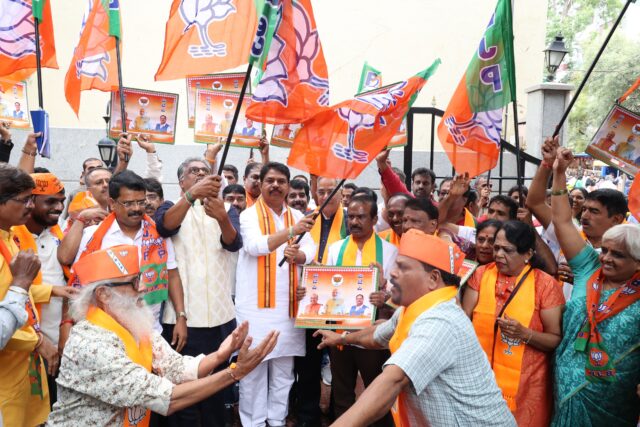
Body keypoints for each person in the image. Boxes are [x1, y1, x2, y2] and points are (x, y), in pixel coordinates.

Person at [47, 245, 279, 426]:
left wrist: (220, 356)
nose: (143, 288)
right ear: (104, 295)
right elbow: (168, 399)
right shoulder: (90, 343)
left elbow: (177, 369)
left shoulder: (134, 326)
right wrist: (234, 373)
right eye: (134, 282)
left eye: (141, 279)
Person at [315, 229, 516, 426]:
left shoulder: (441, 322)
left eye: (402, 267)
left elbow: (393, 381)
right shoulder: (411, 311)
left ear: (433, 279)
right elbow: (379, 335)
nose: (392, 273)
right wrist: (341, 339)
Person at [550, 147, 640, 426]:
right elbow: (563, 220)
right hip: (565, 389)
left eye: (618, 255)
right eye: (606, 251)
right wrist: (558, 172)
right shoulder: (588, 266)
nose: (607, 259)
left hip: (613, 402)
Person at [153, 158, 242, 427]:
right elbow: (165, 226)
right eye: (194, 172)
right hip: (183, 319)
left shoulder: (227, 209)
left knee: (216, 386)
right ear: (182, 182)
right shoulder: (170, 206)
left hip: (219, 317)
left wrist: (223, 217)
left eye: (206, 172)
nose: (202, 175)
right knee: (183, 388)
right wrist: (192, 196)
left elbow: (233, 243)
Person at [60, 170, 187, 347]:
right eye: (128, 203)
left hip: (150, 333)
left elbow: (172, 274)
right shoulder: (93, 236)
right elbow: (77, 286)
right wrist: (65, 326)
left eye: (140, 202)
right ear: (112, 203)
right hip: (105, 337)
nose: (136, 208)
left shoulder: (159, 234)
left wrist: (181, 316)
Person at [235, 162, 316, 427]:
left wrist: (300, 255)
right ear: (260, 184)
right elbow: (256, 246)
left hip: (287, 307)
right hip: (255, 309)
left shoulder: (296, 215)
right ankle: (254, 423)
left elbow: (311, 251)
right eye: (270, 180)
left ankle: (277, 420)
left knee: (284, 371)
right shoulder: (248, 215)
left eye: (282, 181)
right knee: (253, 370)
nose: (275, 185)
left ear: (288, 185)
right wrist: (292, 232)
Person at [462, 220, 564, 426]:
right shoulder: (481, 274)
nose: (498, 254)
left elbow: (555, 339)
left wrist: (524, 334)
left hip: (525, 388)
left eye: (507, 250)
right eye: (496, 247)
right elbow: (464, 320)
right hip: (478, 381)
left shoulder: (545, 285)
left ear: (527, 254)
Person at [324, 193, 398, 426]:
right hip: (340, 332)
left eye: (361, 217)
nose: (354, 222)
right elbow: (327, 288)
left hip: (374, 334)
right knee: (342, 391)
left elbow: (398, 296)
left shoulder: (390, 251)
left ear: (375, 219)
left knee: (377, 392)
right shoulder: (336, 248)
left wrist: (385, 295)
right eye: (351, 217)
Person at [12, 173, 79, 407]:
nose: (59, 207)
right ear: (30, 201)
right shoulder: (13, 239)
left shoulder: (58, 236)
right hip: (23, 345)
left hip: (56, 343)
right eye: (50, 201)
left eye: (61, 201)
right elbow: (14, 293)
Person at [0, 164, 52, 426]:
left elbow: (20, 294)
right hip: (6, 373)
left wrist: (53, 290)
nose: (31, 206)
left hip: (22, 366)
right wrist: (36, 342)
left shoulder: (10, 236)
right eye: (24, 200)